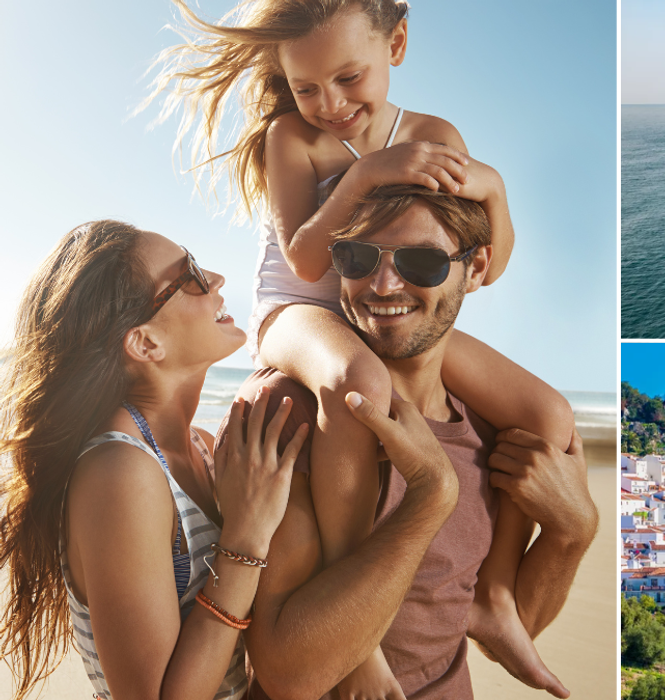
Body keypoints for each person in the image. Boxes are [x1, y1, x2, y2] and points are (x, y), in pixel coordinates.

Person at [145, 0, 572, 693]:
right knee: (360, 386)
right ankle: (362, 630)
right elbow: (307, 258)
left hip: (381, 300)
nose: (329, 104)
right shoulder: (293, 138)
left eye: (348, 78)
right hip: (297, 314)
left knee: (547, 413)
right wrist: (368, 176)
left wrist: (491, 187)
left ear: (396, 44)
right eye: (307, 87)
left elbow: (487, 255)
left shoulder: (433, 132)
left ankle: (493, 598)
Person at [225, 185, 599, 699]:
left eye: (421, 262)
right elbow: (290, 676)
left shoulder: (494, 432)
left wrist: (572, 531)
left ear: (477, 267)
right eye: (356, 258)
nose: (382, 284)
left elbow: (511, 622)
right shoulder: (293, 412)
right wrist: (431, 497)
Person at [0, 220, 310, 700]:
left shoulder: (206, 448)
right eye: (190, 276)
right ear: (145, 343)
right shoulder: (120, 472)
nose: (217, 279)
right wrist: (245, 538)